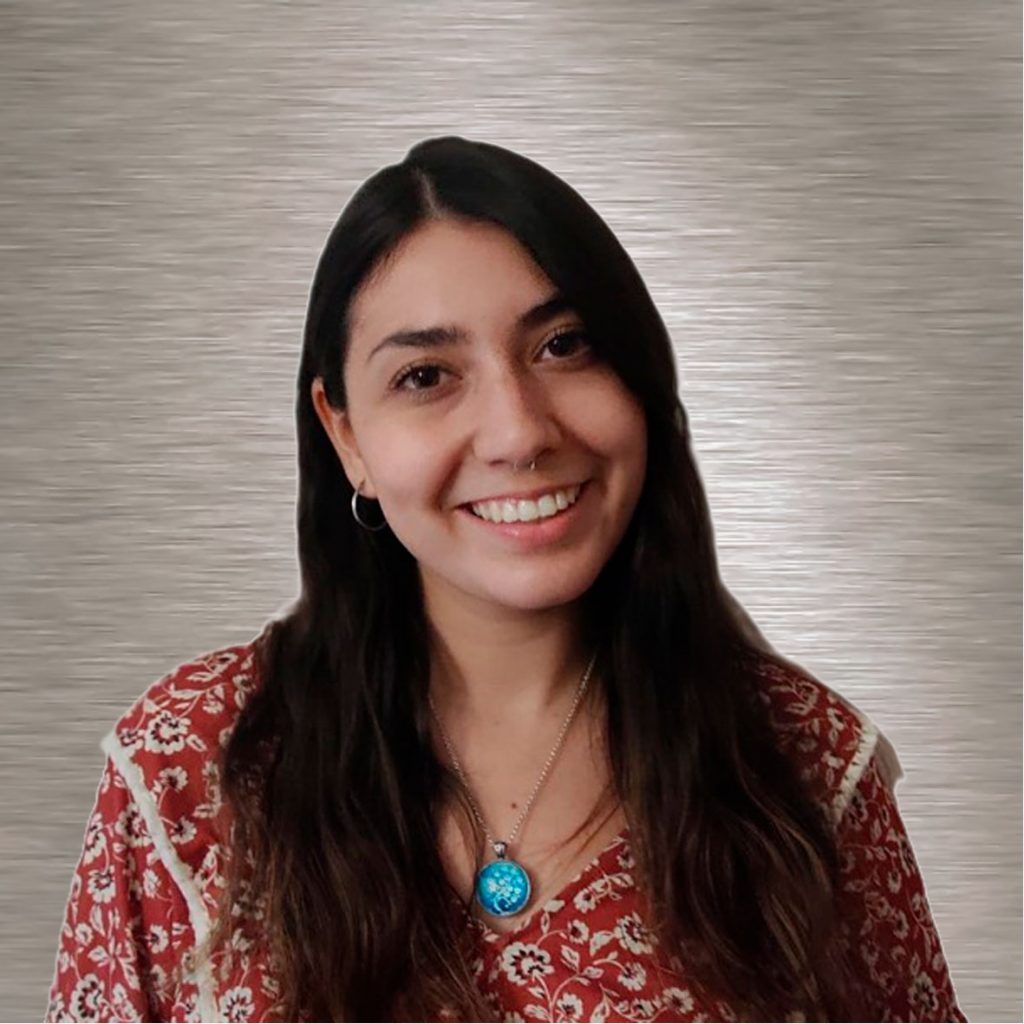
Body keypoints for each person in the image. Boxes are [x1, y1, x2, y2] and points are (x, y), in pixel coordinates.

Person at [45, 136, 966, 1023]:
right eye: (426, 375)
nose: (520, 431)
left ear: (640, 378)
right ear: (346, 435)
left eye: (564, 345)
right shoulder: (188, 766)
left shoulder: (808, 773)